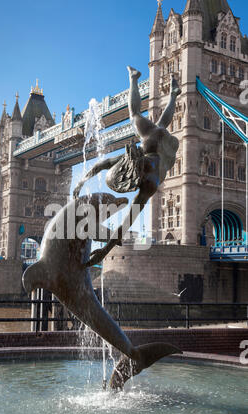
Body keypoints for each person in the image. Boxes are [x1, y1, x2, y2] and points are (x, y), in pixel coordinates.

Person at [74, 66, 181, 266]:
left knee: (156, 123)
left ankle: (173, 93)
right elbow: (104, 164)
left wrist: (104, 252)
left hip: (166, 148)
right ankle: (134, 78)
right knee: (135, 114)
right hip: (155, 143)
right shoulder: (138, 161)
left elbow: (126, 223)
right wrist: (82, 181)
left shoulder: (150, 183)